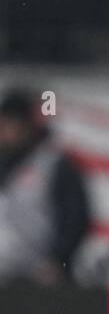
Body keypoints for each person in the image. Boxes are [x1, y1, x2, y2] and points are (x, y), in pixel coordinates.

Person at [0, 87, 91, 284]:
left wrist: (58, 259)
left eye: (8, 123)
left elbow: (75, 217)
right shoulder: (5, 164)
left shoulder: (53, 164)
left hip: (39, 275)